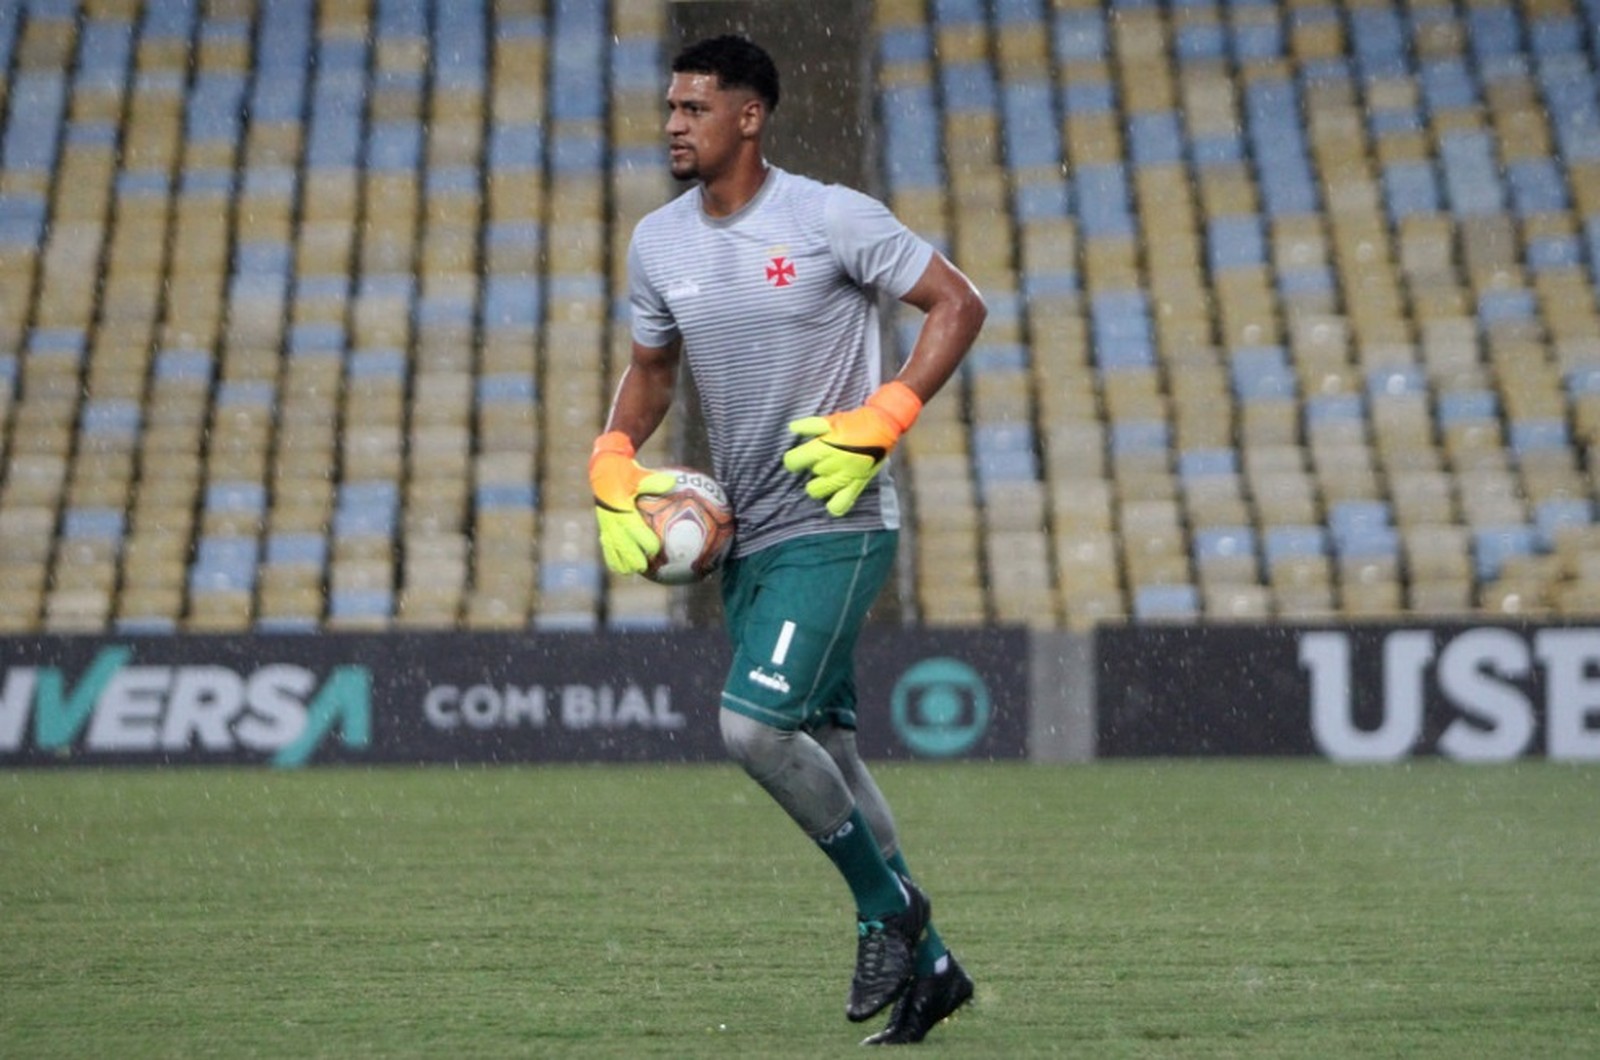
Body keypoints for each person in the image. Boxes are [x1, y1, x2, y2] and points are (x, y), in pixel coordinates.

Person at [587, 35, 987, 1045]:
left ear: (749, 117)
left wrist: (886, 414)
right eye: (670, 108)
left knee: (753, 729)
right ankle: (932, 970)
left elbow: (958, 303)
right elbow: (652, 370)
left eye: (694, 109)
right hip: (750, 535)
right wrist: (611, 459)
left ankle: (889, 913)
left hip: (837, 517)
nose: (674, 124)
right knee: (832, 751)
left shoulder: (828, 216)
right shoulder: (658, 242)